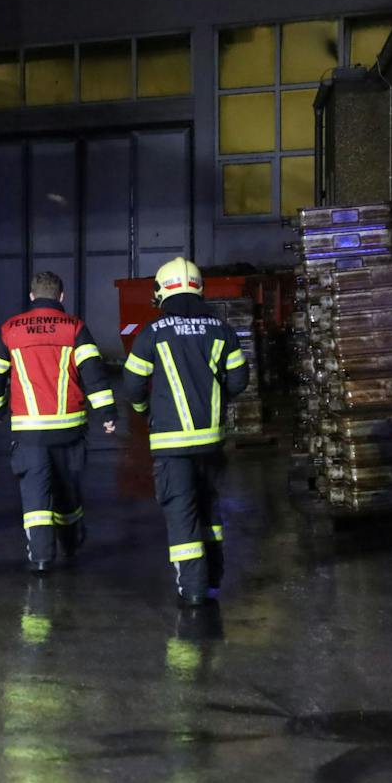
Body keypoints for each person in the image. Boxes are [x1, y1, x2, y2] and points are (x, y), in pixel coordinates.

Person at [121, 257, 249, 607]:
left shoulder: (152, 334)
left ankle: (191, 590)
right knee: (209, 508)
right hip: (210, 441)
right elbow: (239, 381)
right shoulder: (221, 330)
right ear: (199, 289)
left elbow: (132, 385)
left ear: (162, 292)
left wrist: (143, 410)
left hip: (170, 444)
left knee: (182, 511)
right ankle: (213, 578)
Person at [0, 270, 117, 574]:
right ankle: (70, 542)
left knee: (35, 494)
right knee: (67, 488)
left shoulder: (10, 330)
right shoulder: (75, 328)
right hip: (69, 430)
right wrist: (107, 414)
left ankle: (41, 558)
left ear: (31, 297)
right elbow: (94, 374)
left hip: (29, 432)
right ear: (61, 297)